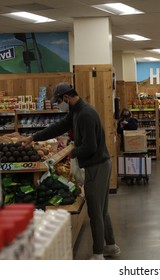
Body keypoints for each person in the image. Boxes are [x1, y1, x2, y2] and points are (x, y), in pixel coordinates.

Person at [19, 82, 120, 260]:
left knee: (95, 211)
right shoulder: (76, 111)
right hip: (99, 164)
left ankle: (98, 255)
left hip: (97, 166)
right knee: (101, 210)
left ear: (66, 97)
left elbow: (90, 146)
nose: (58, 104)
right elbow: (58, 127)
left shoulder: (85, 115)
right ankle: (110, 246)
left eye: (59, 101)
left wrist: (73, 152)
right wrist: (33, 137)